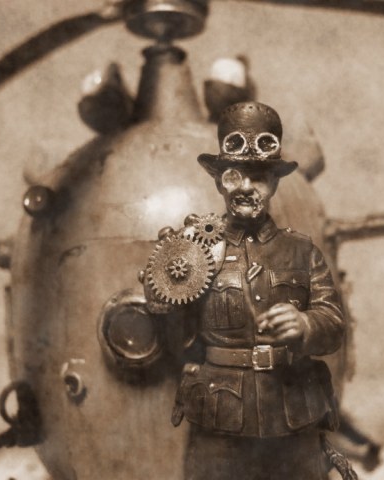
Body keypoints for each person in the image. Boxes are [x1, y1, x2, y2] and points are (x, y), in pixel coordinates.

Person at [145, 101, 345, 479]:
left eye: (259, 177)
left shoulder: (302, 251)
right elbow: (172, 340)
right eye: (235, 176)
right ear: (218, 181)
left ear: (275, 183)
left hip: (292, 416)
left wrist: (305, 324)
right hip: (220, 420)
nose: (246, 188)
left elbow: (333, 322)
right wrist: (163, 291)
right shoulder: (195, 250)